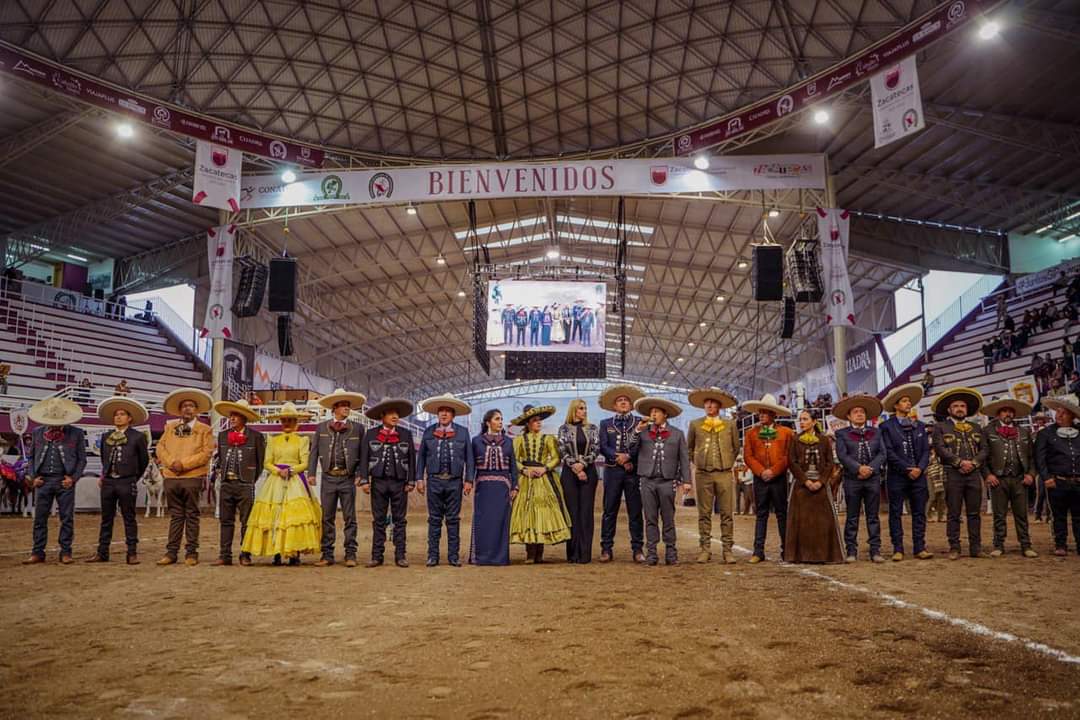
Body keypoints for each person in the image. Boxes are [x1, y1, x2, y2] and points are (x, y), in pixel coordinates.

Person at [243, 402, 321, 565]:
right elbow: (267, 462)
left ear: (295, 422)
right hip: (276, 480)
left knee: (294, 517)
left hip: (294, 480)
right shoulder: (272, 440)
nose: (287, 423)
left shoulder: (303, 440)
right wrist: (278, 471)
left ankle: (294, 552)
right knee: (273, 515)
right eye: (284, 420)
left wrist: (291, 470)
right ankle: (276, 552)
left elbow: (305, 462)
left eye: (290, 420)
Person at [22, 398, 87, 565]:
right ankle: (37, 552)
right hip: (42, 481)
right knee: (39, 518)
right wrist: (33, 476)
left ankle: (66, 552)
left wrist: (73, 478)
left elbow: (82, 460)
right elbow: (30, 457)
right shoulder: (37, 432)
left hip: (64, 481)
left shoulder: (76, 433)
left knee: (66, 517)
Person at [86, 397, 149, 565]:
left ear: (130, 418)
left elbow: (144, 461)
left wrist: (134, 478)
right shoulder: (106, 436)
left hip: (127, 481)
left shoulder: (137, 436)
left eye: (122, 414)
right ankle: (102, 552)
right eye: (116, 415)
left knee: (129, 517)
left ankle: (132, 553)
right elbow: (104, 458)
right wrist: (105, 475)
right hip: (108, 482)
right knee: (106, 518)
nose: (118, 417)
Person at [155, 388, 214, 566]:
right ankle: (171, 552)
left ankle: (191, 552)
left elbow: (207, 452)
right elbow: (160, 447)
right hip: (171, 476)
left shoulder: (204, 429)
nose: (188, 409)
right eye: (184, 406)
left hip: (192, 476)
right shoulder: (170, 427)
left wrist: (184, 464)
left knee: (191, 514)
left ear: (196, 410)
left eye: (191, 406)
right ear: (180, 410)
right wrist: (171, 462)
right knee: (175, 515)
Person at [629, 396, 690, 565]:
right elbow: (630, 448)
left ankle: (671, 553)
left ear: (665, 415)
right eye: (651, 412)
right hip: (647, 481)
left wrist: (687, 480)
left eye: (656, 411)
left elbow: (684, 459)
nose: (653, 414)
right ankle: (652, 554)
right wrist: (636, 431)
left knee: (668, 518)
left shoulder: (677, 434)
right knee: (650, 518)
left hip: (667, 481)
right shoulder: (643, 432)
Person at [308, 388, 366, 568]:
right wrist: (311, 473)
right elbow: (314, 452)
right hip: (328, 478)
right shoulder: (321, 428)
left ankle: (351, 553)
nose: (347, 408)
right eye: (343, 405)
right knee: (327, 517)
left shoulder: (358, 428)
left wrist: (361, 475)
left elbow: (363, 454)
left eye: (348, 406)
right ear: (334, 408)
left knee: (350, 517)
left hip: (347, 478)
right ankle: (327, 554)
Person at [417, 393, 475, 567]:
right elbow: (421, 458)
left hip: (455, 482)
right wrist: (419, 478)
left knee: (453, 519)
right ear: (437, 413)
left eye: (447, 411)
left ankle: (453, 556)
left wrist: (469, 480)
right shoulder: (428, 432)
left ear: (453, 415)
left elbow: (469, 459)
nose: (443, 414)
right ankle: (432, 556)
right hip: (434, 481)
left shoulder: (463, 433)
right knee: (434, 519)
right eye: (441, 411)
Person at [930, 387, 988, 560]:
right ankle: (954, 546)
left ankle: (975, 547)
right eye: (955, 406)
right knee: (953, 512)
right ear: (949, 410)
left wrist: (974, 463)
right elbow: (940, 448)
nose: (960, 408)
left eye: (962, 405)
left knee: (974, 513)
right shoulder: (940, 427)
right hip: (952, 473)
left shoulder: (976, 427)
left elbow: (984, 449)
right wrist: (959, 462)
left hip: (973, 474)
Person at [510, 405, 571, 564]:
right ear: (528, 424)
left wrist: (545, 468)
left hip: (544, 479)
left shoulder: (549, 439)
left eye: (539, 420)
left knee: (543, 514)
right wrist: (524, 469)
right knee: (527, 514)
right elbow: (514, 459)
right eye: (535, 421)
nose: (538, 423)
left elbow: (557, 458)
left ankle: (539, 553)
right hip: (526, 479)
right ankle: (530, 552)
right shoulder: (519, 440)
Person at [359, 398, 416, 567]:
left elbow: (412, 458)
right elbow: (364, 459)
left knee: (400, 520)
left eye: (397, 413)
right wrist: (364, 480)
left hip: (400, 483)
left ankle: (400, 555)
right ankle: (377, 556)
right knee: (378, 520)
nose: (395, 416)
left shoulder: (406, 434)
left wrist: (411, 480)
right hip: (378, 482)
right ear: (382, 415)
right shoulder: (370, 434)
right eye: (391, 413)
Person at [879, 383, 932, 561]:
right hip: (897, 475)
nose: (908, 404)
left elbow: (926, 451)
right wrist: (906, 468)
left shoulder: (919, 426)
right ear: (896, 405)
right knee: (895, 512)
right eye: (904, 401)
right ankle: (898, 548)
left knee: (919, 512)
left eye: (909, 401)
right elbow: (888, 452)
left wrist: (920, 468)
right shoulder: (886, 427)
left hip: (918, 474)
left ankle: (920, 547)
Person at [686, 387, 740, 564]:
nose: (709, 405)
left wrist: (727, 463)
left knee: (726, 513)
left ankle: (727, 550)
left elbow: (736, 447)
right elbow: (689, 448)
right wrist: (698, 462)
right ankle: (705, 549)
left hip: (724, 473)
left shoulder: (730, 424)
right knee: (704, 513)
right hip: (703, 474)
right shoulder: (695, 424)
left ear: (719, 405)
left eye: (712, 402)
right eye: (706, 402)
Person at [211, 398, 265, 566]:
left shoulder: (256, 437)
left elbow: (260, 463)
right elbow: (219, 457)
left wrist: (249, 480)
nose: (232, 418)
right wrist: (220, 471)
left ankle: (245, 554)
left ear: (244, 417)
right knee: (225, 520)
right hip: (227, 483)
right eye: (231, 415)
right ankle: (225, 554)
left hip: (245, 484)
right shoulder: (222, 436)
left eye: (236, 415)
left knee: (246, 521)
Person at [785, 410, 844, 564]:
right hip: (801, 486)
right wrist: (805, 480)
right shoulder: (795, 439)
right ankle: (800, 555)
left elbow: (829, 462)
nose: (802, 422)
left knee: (823, 521)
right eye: (800, 420)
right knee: (801, 521)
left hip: (821, 485)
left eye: (805, 419)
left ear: (813, 421)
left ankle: (823, 555)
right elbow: (792, 462)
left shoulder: (824, 440)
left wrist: (821, 481)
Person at [981, 397, 1038, 558]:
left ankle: (1026, 545)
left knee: (1022, 514)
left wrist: (1031, 474)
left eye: (1011, 411)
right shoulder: (988, 431)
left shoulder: (1024, 431)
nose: (1008, 413)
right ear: (998, 413)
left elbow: (1032, 458)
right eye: (1005, 410)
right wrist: (988, 475)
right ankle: (998, 545)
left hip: (1020, 478)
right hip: (998, 479)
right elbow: (983, 457)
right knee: (999, 515)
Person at [834, 394, 887, 563]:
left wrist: (870, 468)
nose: (859, 414)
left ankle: (875, 550)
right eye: (855, 412)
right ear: (849, 416)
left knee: (873, 516)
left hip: (872, 478)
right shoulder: (841, 433)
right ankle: (851, 550)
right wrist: (858, 468)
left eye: (862, 412)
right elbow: (842, 455)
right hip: (852, 479)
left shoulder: (877, 432)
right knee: (852, 516)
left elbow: (882, 453)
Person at [742, 394, 795, 563]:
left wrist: (774, 470)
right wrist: (760, 471)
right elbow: (748, 456)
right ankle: (758, 551)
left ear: (774, 414)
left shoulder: (786, 433)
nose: (761, 415)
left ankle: (786, 550)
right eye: (760, 412)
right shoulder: (751, 433)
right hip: (760, 479)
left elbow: (789, 455)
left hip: (778, 478)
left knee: (782, 513)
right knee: (761, 514)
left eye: (765, 412)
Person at [597, 384, 645, 563]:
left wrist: (629, 457)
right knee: (609, 511)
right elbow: (602, 445)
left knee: (635, 511)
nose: (623, 402)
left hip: (633, 472)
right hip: (612, 471)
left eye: (626, 400)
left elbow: (642, 445)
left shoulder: (640, 422)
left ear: (631, 405)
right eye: (619, 401)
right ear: (614, 406)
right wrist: (618, 458)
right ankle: (606, 548)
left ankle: (638, 549)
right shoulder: (605, 424)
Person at [469, 409, 518, 565]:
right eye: (497, 419)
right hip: (483, 489)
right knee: (483, 522)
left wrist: (515, 487)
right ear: (488, 422)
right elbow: (471, 466)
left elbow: (513, 468)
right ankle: (482, 557)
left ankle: (500, 558)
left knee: (501, 523)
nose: (500, 422)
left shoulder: (509, 442)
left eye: (501, 419)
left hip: (502, 489)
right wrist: (469, 481)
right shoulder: (476, 441)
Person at [556, 399, 600, 563]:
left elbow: (596, 449)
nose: (584, 411)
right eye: (581, 408)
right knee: (572, 512)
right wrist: (574, 466)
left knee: (586, 513)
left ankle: (585, 554)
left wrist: (583, 464)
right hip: (569, 474)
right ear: (574, 410)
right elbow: (561, 450)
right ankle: (572, 553)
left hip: (589, 473)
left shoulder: (593, 428)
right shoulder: (563, 429)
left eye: (585, 408)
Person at [1035, 396, 1080, 556]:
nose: (1059, 415)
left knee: (1078, 515)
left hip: (1077, 481)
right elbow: (1040, 458)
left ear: (1072, 416)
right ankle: (1060, 544)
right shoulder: (1046, 433)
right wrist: (1046, 477)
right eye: (1058, 412)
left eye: (1064, 413)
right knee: (1058, 515)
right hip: (1057, 480)